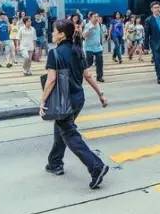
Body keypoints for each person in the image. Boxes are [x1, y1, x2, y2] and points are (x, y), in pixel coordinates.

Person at [39, 19, 109, 188]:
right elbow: (88, 75)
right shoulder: (78, 50)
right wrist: (100, 94)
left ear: (62, 34)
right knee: (62, 128)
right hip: (78, 99)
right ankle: (55, 162)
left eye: (54, 31)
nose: (52, 34)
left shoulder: (54, 53)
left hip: (64, 101)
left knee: (69, 134)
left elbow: (51, 80)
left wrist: (42, 101)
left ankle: (96, 166)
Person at [83, 12, 104, 83]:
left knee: (99, 62)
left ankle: (99, 77)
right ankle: (83, 73)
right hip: (89, 47)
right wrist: (90, 29)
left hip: (98, 47)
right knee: (89, 62)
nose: (96, 18)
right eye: (95, 17)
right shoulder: (87, 25)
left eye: (97, 17)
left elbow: (100, 34)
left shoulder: (99, 24)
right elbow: (84, 36)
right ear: (91, 18)